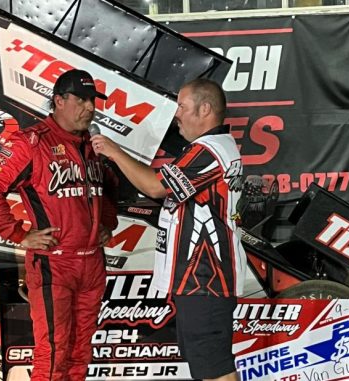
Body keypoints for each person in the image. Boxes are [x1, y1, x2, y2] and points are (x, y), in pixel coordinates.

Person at [92, 78, 244, 381]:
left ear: (205, 109)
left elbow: (156, 187)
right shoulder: (213, 147)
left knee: (216, 369)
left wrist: (113, 150)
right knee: (206, 366)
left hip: (206, 280)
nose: (177, 116)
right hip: (197, 280)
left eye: (182, 108)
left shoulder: (209, 150)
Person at [0, 69, 118, 380]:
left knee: (81, 352)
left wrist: (106, 223)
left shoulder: (93, 145)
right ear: (59, 101)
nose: (90, 107)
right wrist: (18, 234)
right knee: (54, 351)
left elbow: (105, 190)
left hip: (92, 263)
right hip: (54, 264)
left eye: (93, 100)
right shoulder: (31, 143)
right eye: (82, 100)